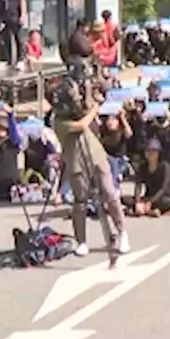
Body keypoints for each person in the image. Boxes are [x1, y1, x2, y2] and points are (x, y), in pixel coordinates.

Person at [51, 77, 130, 257]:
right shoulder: (58, 121)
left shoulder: (78, 110)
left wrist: (90, 93)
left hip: (96, 155)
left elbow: (85, 106)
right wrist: (95, 108)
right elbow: (81, 125)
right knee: (80, 201)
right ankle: (82, 241)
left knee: (110, 193)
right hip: (76, 160)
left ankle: (122, 232)